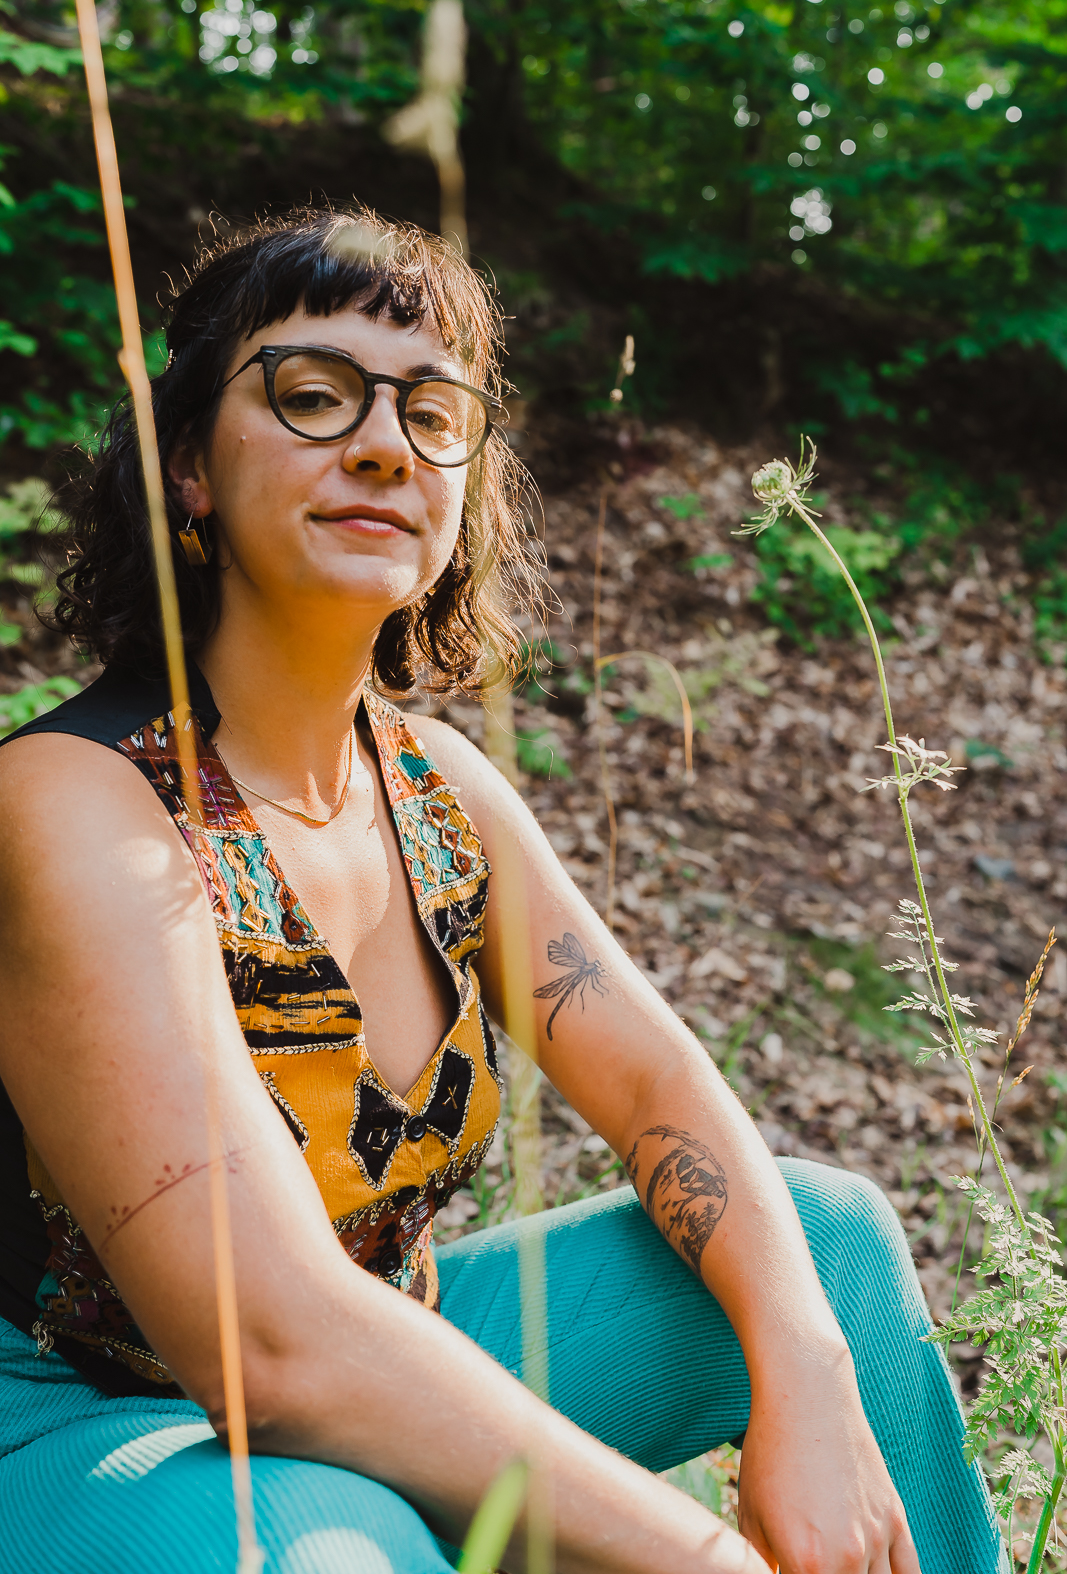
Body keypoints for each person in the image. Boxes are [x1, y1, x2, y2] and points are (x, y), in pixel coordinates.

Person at [0, 206, 1002, 1574]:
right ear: (188, 464)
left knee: (823, 1254)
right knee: (336, 1545)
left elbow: (656, 1086)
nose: (382, 444)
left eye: (431, 412)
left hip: (380, 1354)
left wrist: (810, 1380)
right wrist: (710, 1559)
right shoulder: (71, 804)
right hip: (79, 1422)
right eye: (312, 395)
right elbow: (269, 1349)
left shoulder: (440, 791)